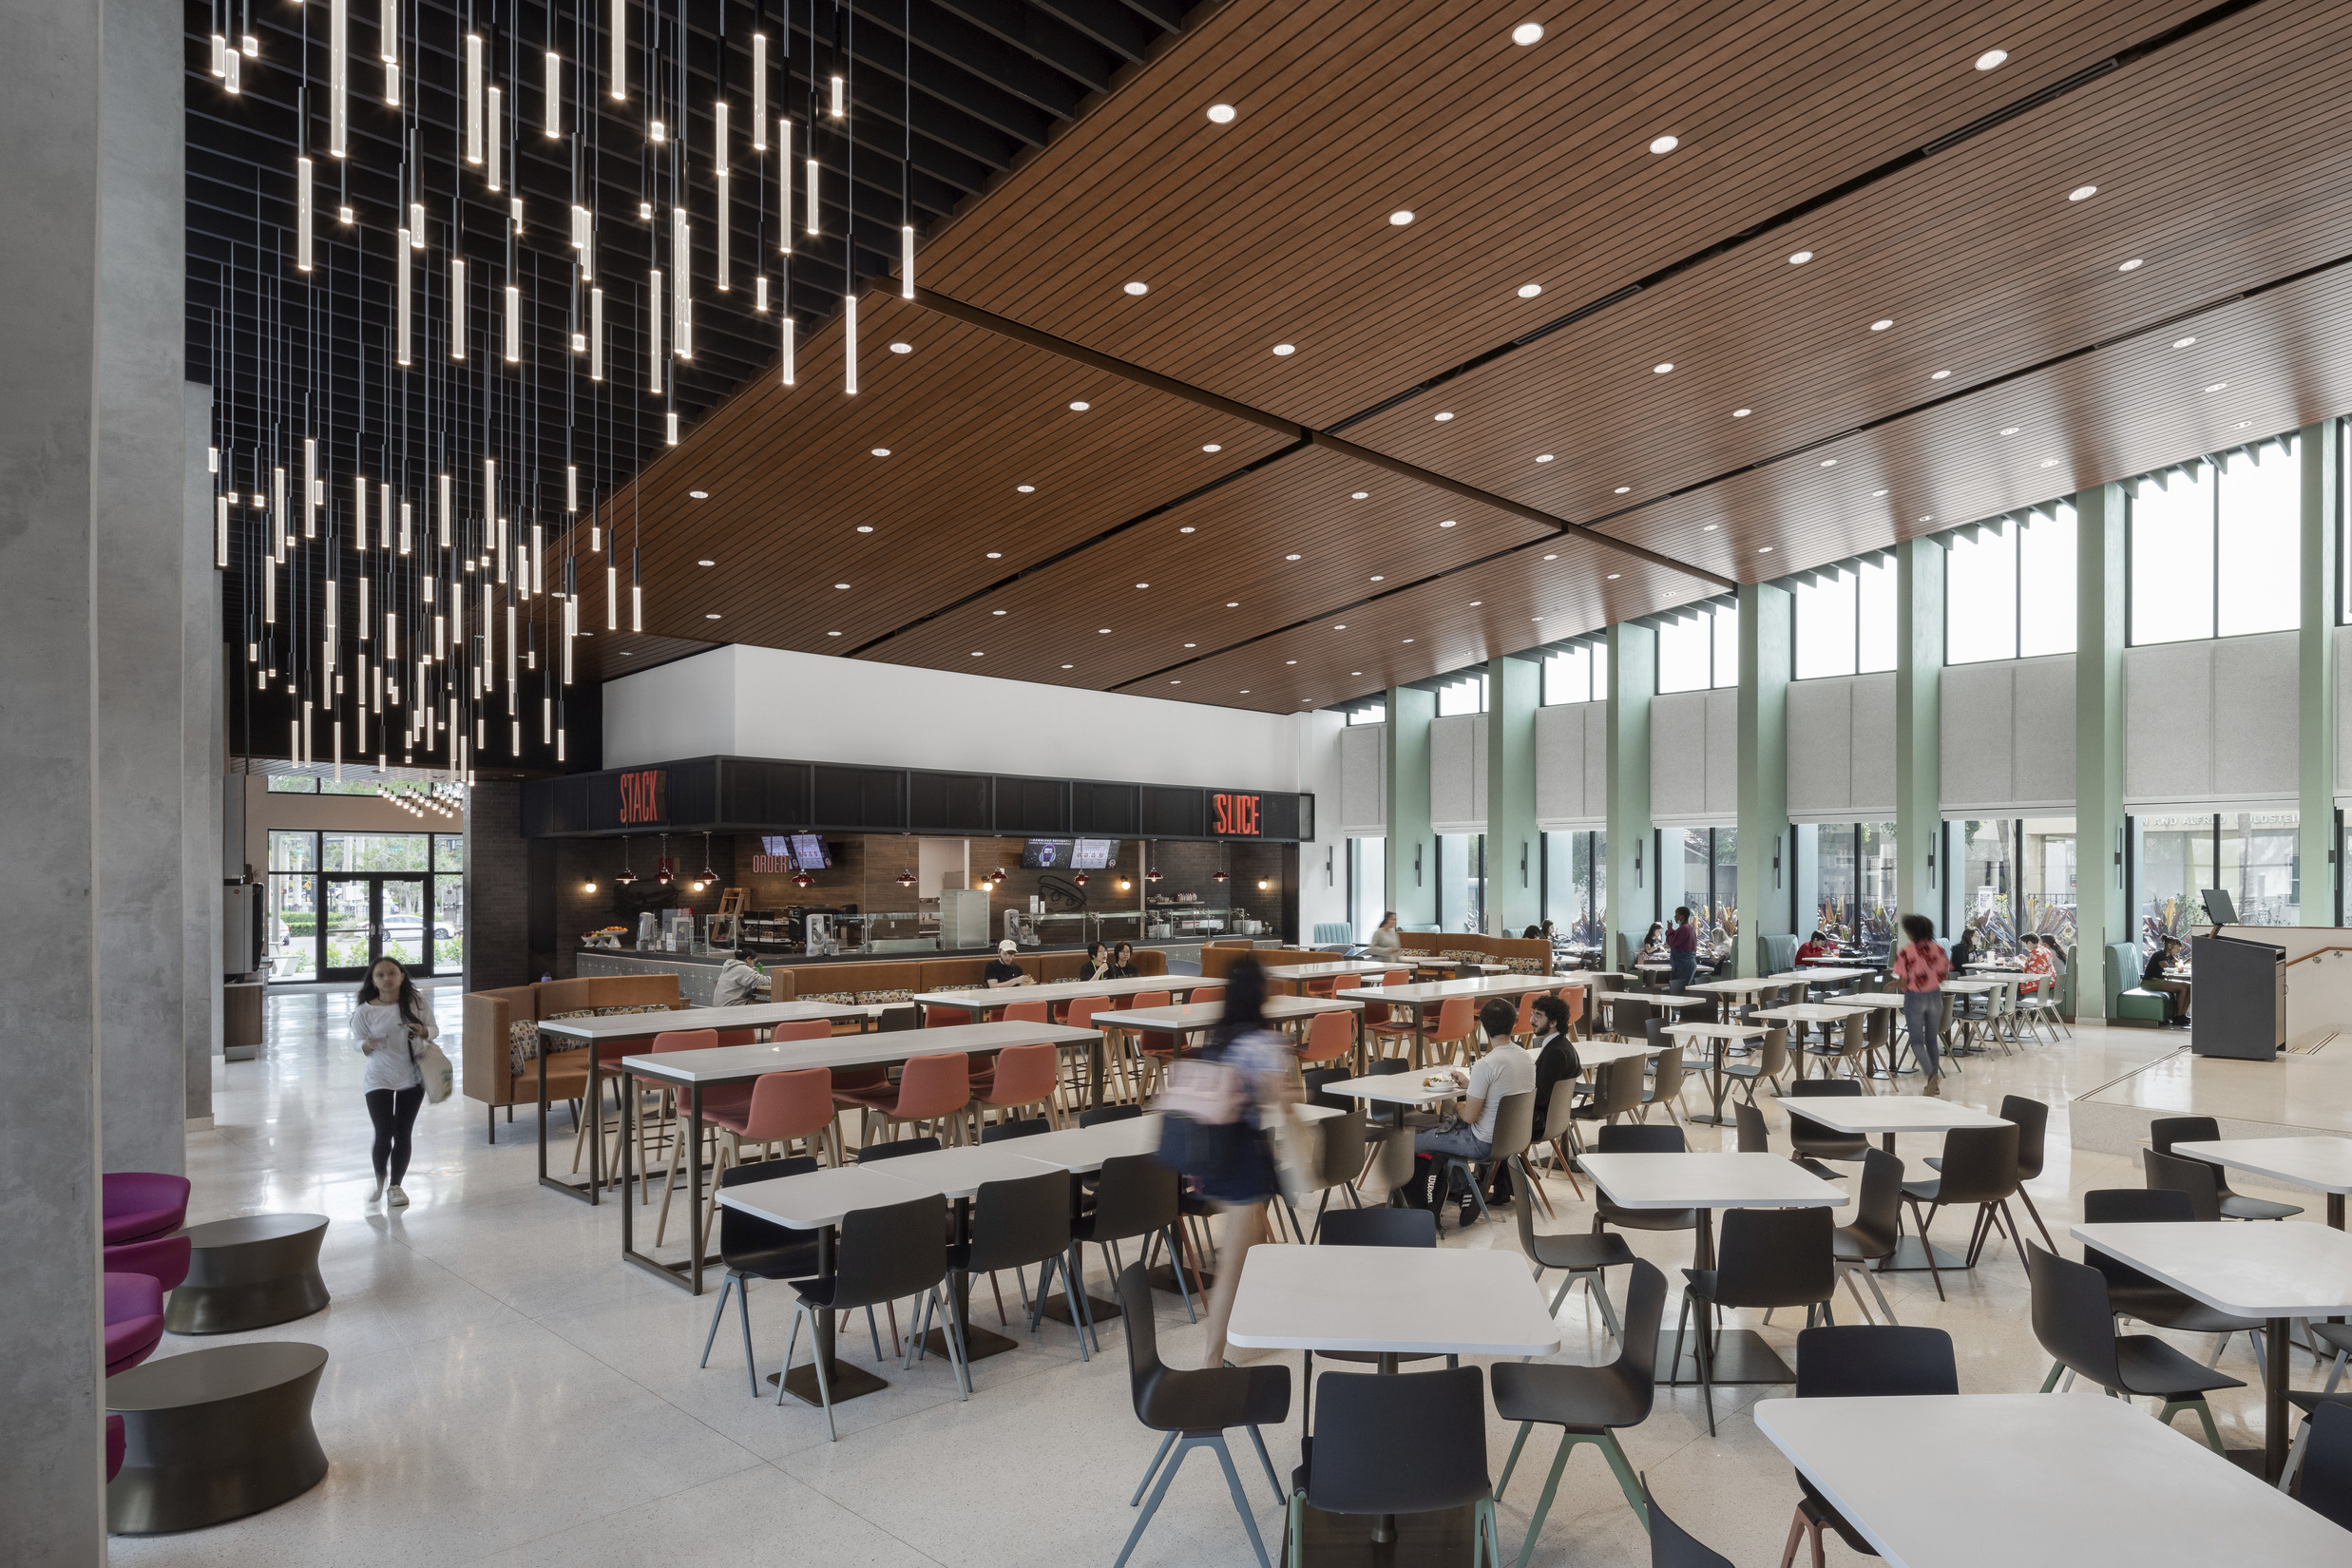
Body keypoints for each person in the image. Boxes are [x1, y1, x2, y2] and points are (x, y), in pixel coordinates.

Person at [1190, 959, 1303, 1367]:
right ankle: (1211, 1360)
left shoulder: (1218, 1036)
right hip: (1242, 1164)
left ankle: (1256, 1323)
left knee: (1252, 1251)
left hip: (1215, 1158)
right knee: (1234, 1264)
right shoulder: (1261, 1042)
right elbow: (1283, 1100)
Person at [1413, 997, 1537, 1228]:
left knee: (1414, 1140)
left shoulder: (1486, 1064)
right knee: (1445, 1136)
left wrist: (1459, 1104)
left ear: (1482, 1026)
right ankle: (1465, 1186)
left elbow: (1468, 1116)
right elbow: (1503, 1092)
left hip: (1483, 1143)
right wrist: (1472, 1086)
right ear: (1514, 1023)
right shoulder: (1526, 1058)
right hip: (1516, 1140)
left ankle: (1433, 1201)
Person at [352, 956, 435, 1206]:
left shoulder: (416, 1002)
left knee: (403, 1132)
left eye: (392, 973)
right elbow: (356, 1040)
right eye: (380, 975)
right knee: (384, 1131)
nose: (386, 979)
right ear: (373, 980)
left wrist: (424, 1031)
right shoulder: (365, 1010)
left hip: (413, 1077)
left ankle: (396, 1186)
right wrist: (364, 1045)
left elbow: (433, 1028)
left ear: (401, 976)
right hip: (379, 1078)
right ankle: (380, 1179)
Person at [1891, 915, 1952, 1093]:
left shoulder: (1905, 952)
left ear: (1911, 932)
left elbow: (1902, 982)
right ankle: (1933, 1085)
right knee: (1932, 1040)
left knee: (1917, 1042)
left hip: (1914, 998)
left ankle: (1932, 1075)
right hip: (1935, 997)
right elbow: (1945, 975)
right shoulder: (1939, 949)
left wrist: (1890, 985)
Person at [2143, 936, 2192, 1026]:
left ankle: (2182, 1015)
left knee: (2190, 987)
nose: (2179, 951)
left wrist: (2188, 961)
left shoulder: (2170, 956)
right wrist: (2182, 964)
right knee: (2183, 988)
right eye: (2177, 948)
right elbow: (2167, 968)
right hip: (2150, 982)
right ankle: (2177, 1016)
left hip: (2158, 981)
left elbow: (2178, 965)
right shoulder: (2159, 955)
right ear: (2169, 946)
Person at [1666, 907, 1699, 992]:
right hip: (1688, 963)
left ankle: (1678, 1006)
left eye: (1676, 915)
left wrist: (1669, 929)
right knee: (1685, 989)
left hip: (1683, 964)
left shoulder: (1684, 929)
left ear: (1682, 917)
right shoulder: (1689, 928)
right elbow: (1677, 937)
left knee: (1679, 990)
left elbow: (1672, 942)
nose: (1674, 917)